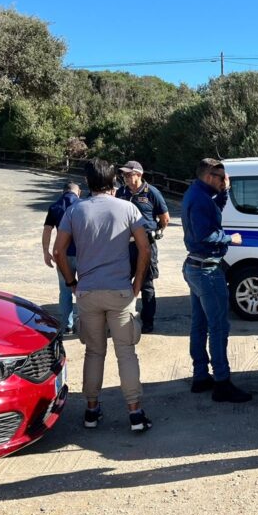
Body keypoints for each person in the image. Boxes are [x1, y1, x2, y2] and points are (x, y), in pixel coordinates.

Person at [53, 159, 154, 433]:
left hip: (88, 291)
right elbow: (144, 249)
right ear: (114, 182)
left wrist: (71, 282)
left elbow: (58, 252)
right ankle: (135, 413)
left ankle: (92, 410)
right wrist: (137, 283)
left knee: (94, 352)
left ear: (88, 183)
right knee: (126, 353)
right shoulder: (128, 208)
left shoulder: (75, 211)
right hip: (120, 290)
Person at [180, 158, 251, 403]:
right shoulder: (200, 200)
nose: (225, 181)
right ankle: (222, 382)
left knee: (200, 324)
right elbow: (206, 233)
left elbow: (214, 211)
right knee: (219, 327)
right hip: (207, 270)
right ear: (210, 176)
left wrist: (226, 190)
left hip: (196, 266)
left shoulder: (198, 193)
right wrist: (232, 239)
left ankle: (201, 376)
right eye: (222, 178)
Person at [116, 160, 169, 334]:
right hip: (125, 246)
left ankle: (148, 321)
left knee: (146, 284)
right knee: (121, 281)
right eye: (124, 175)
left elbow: (165, 218)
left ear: (139, 174)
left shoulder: (152, 193)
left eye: (129, 175)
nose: (125, 178)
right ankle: (121, 318)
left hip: (145, 245)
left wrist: (157, 231)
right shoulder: (121, 192)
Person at [42, 181, 81, 335]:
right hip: (82, 253)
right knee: (85, 289)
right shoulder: (82, 205)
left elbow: (47, 230)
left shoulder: (55, 207)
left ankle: (67, 325)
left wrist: (46, 251)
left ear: (62, 192)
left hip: (62, 254)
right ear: (78, 192)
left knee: (64, 290)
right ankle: (87, 323)